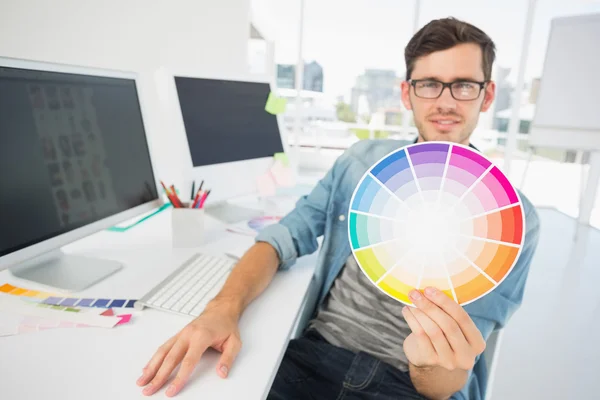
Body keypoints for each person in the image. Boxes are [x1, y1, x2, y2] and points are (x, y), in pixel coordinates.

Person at [136, 17, 540, 400]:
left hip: (408, 386)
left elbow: (447, 382)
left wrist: (427, 361)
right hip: (312, 358)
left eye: (464, 86)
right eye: (430, 84)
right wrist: (220, 310)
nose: (446, 102)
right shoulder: (363, 164)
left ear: (486, 95)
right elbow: (284, 236)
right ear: (407, 93)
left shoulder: (510, 219)